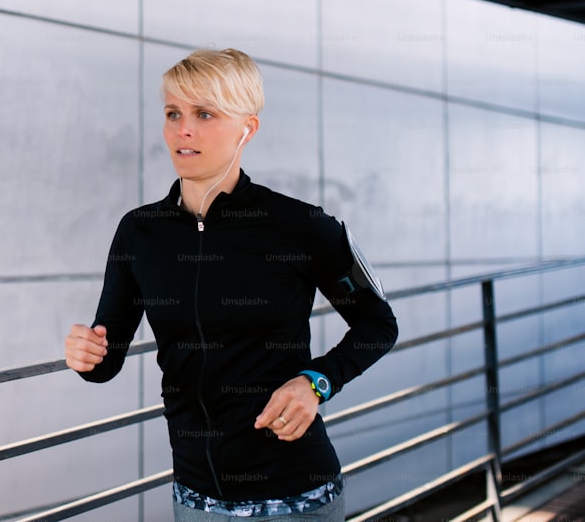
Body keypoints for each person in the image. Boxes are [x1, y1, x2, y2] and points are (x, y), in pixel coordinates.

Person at [64, 48, 398, 521]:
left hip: (296, 500)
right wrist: (87, 355)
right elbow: (106, 356)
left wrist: (316, 382)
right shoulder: (140, 232)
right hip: (195, 500)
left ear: (247, 128)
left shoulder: (299, 226)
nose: (184, 129)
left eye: (205, 114)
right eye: (173, 113)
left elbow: (378, 323)